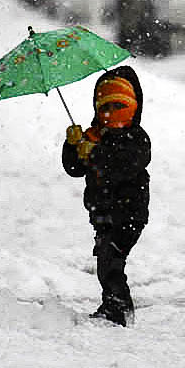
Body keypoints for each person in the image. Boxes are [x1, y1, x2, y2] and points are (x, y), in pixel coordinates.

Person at [62, 66, 150, 326]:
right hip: (101, 213)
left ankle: (120, 308)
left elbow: (121, 165)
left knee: (111, 260)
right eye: (105, 106)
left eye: (118, 105)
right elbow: (75, 169)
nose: (111, 113)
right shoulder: (94, 135)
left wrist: (95, 153)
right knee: (106, 260)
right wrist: (73, 145)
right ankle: (112, 303)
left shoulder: (136, 139)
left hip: (128, 213)